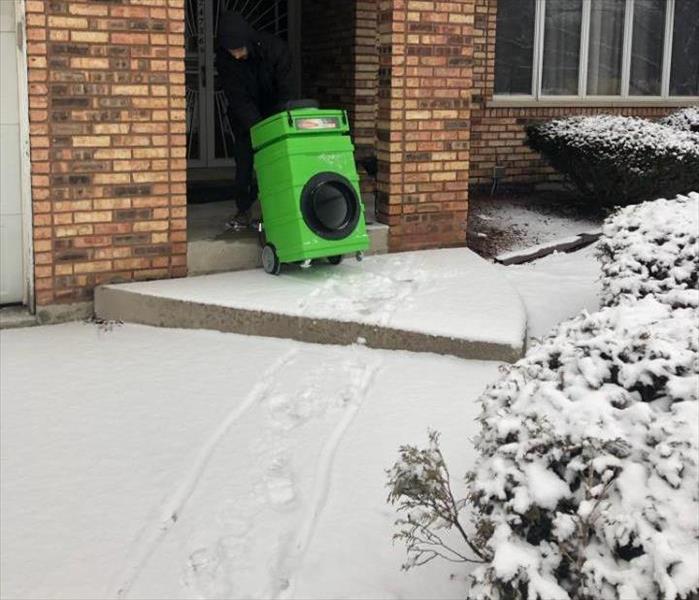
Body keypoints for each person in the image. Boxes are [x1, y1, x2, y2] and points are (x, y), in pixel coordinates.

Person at [216, 11, 294, 230]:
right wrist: (258, 130)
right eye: (231, 51)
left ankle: (280, 208)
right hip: (245, 118)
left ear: (248, 41)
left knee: (277, 161)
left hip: (274, 111)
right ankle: (244, 209)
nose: (237, 56)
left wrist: (276, 126)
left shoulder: (275, 49)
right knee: (244, 162)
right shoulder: (225, 60)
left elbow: (286, 91)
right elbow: (238, 99)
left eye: (239, 50)